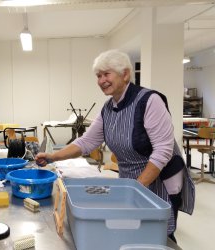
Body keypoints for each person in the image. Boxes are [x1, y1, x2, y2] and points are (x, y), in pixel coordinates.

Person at [35, 49, 195, 243]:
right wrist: (53, 156)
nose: (102, 80)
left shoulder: (149, 101)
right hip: (130, 180)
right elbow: (87, 141)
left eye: (106, 74)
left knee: (155, 234)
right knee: (129, 231)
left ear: (125, 74)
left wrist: (135, 188)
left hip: (158, 178)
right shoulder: (108, 108)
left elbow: (163, 150)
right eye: (98, 76)